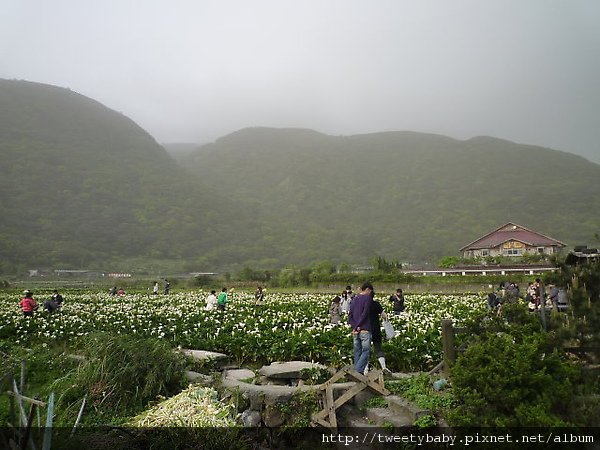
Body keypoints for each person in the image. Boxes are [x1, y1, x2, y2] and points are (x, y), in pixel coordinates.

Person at [348, 282, 374, 375]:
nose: (370, 293)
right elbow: (365, 313)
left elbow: (350, 315)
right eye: (370, 291)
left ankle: (357, 372)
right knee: (366, 351)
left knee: (357, 351)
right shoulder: (368, 298)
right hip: (364, 329)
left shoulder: (355, 298)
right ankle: (358, 371)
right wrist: (359, 326)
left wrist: (354, 327)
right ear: (367, 289)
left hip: (355, 331)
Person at [370, 295, 391, 374]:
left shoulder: (362, 304)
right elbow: (384, 316)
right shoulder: (376, 304)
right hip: (376, 329)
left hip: (366, 330)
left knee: (365, 350)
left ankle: (365, 370)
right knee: (378, 348)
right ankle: (383, 367)